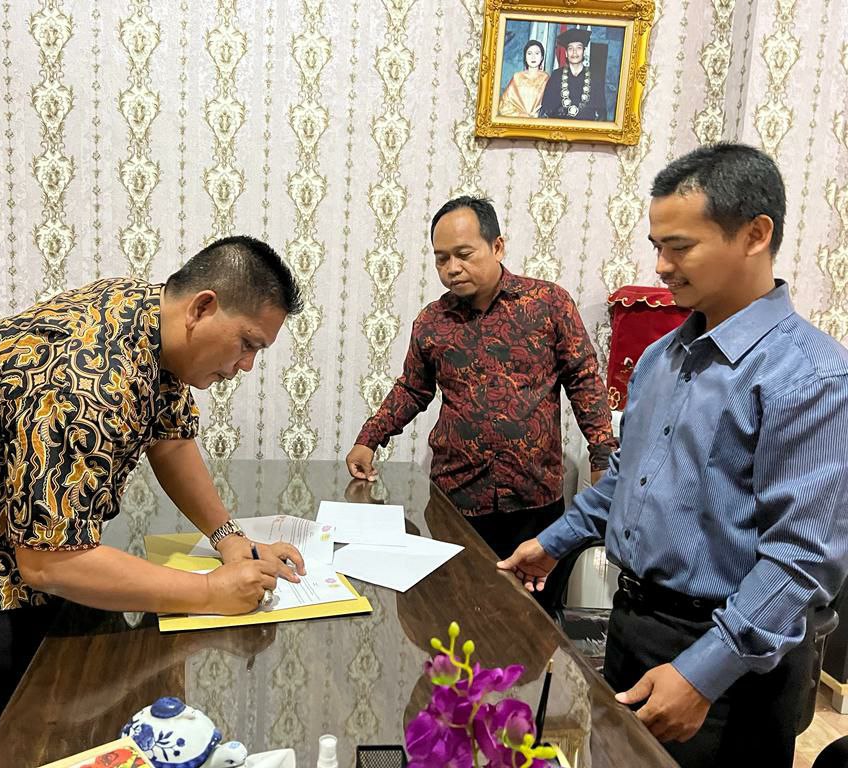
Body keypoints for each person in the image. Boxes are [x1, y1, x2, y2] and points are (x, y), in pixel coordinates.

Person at [0, 236, 308, 768]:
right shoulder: (86, 380)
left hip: (17, 529)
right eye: (247, 344)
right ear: (202, 307)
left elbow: (170, 440)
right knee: (10, 739)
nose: (247, 366)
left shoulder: (153, 318)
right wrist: (209, 591)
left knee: (102, 680)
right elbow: (49, 563)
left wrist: (229, 539)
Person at [498, 144, 848, 768]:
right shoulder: (661, 359)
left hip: (733, 661)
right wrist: (554, 543)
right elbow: (627, 481)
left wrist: (703, 673)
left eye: (680, 247)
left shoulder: (809, 375)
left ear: (755, 234)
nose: (661, 266)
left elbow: (802, 560)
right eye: (657, 246)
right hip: (634, 624)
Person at [346, 196, 617, 610]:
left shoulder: (548, 304)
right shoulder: (431, 322)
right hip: (456, 500)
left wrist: (601, 455)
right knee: (455, 614)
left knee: (532, 621)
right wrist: (369, 439)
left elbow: (584, 380)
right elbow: (412, 389)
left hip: (534, 501)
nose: (452, 268)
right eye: (441, 259)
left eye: (463, 254)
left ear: (497, 246)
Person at [539, 27, 607, 121]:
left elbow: (601, 113)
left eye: (578, 48)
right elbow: (546, 110)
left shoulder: (595, 77)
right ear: (566, 53)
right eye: (570, 48)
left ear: (584, 52)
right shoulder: (556, 76)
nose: (574, 52)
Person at [498, 39, 550, 119]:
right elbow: (503, 105)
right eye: (529, 53)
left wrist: (539, 115)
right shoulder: (517, 77)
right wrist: (523, 115)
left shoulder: (546, 78)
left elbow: (550, 105)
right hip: (518, 121)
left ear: (542, 57)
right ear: (525, 57)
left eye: (537, 53)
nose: (533, 57)